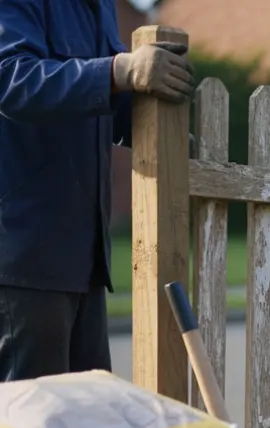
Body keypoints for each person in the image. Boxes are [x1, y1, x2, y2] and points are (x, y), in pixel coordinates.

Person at [0, 0, 194, 382]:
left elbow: (110, 101)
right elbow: (11, 79)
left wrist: (158, 128)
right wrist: (120, 69)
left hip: (83, 261)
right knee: (31, 427)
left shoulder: (98, 6)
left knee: (88, 421)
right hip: (24, 256)